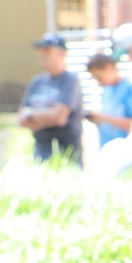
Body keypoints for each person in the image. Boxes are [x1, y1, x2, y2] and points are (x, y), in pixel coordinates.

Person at [18, 32, 83, 167]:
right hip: (41, 151)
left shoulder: (71, 80)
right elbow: (22, 119)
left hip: (66, 153)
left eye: (47, 49)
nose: (42, 53)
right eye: (41, 50)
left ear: (61, 54)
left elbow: (59, 118)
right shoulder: (37, 82)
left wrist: (31, 115)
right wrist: (47, 116)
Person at [85, 52, 132, 148]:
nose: (98, 82)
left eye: (99, 77)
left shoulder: (130, 90)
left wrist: (105, 119)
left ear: (109, 68)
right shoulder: (106, 91)